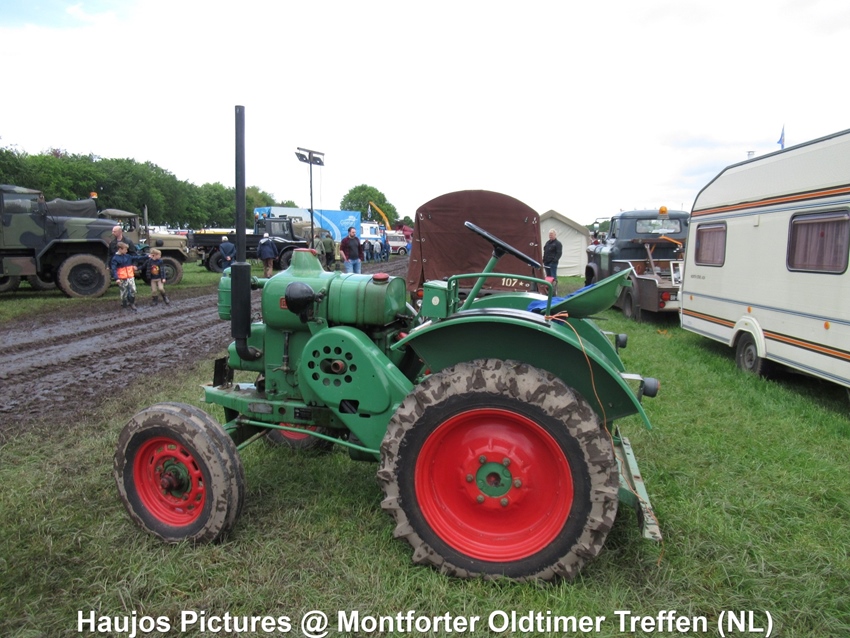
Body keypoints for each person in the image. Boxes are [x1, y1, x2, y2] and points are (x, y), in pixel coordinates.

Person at [111, 242, 138, 311]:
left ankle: (132, 303)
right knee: (124, 292)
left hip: (130, 276)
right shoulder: (115, 258)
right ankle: (124, 304)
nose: (126, 251)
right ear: (120, 249)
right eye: (125, 249)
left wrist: (146, 256)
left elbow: (136, 257)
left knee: (133, 290)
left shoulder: (127, 256)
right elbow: (114, 269)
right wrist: (117, 278)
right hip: (122, 278)